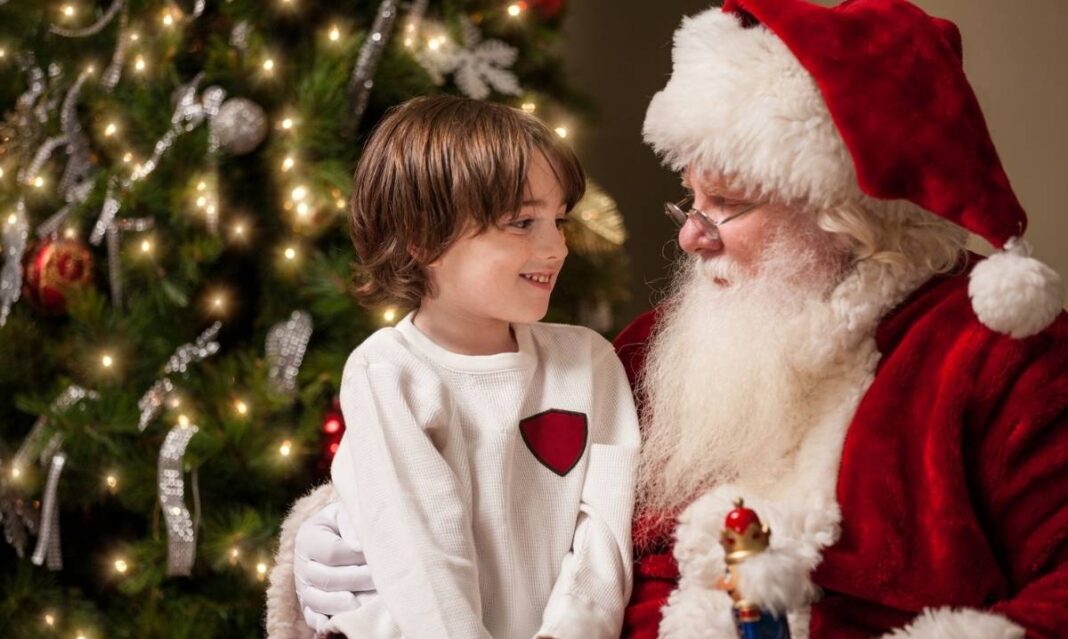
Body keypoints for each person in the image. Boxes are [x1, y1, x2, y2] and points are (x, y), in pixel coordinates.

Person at [268, 1, 1068, 637]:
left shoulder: (997, 357)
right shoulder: (653, 350)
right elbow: (492, 492)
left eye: (730, 204)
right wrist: (336, 529)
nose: (691, 232)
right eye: (691, 199)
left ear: (844, 211)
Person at [266, 95, 641, 639]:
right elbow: (421, 561)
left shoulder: (588, 363)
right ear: (423, 237)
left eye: (558, 220)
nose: (557, 246)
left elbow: (604, 533)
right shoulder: (388, 373)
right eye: (522, 222)